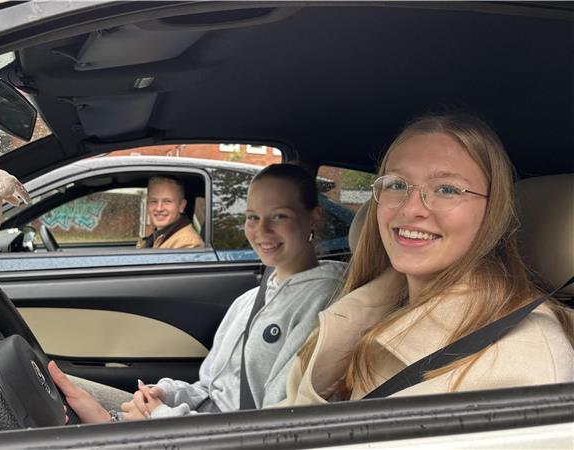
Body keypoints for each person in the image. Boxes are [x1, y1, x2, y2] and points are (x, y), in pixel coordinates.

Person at [276, 114, 574, 406]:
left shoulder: (522, 358)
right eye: (396, 184)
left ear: (492, 213)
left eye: (446, 189)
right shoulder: (358, 308)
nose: (410, 209)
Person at [49, 164, 346, 421]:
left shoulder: (324, 305)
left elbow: (276, 424)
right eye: (253, 217)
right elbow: (210, 389)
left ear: (314, 218)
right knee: (56, 388)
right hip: (197, 426)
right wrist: (165, 393)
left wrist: (159, 417)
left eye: (279, 216)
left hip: (218, 436)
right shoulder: (248, 301)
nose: (262, 230)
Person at [136, 175, 204, 249]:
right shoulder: (159, 237)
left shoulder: (187, 245)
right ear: (147, 205)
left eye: (167, 201)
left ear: (181, 206)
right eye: (154, 201)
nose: (159, 208)